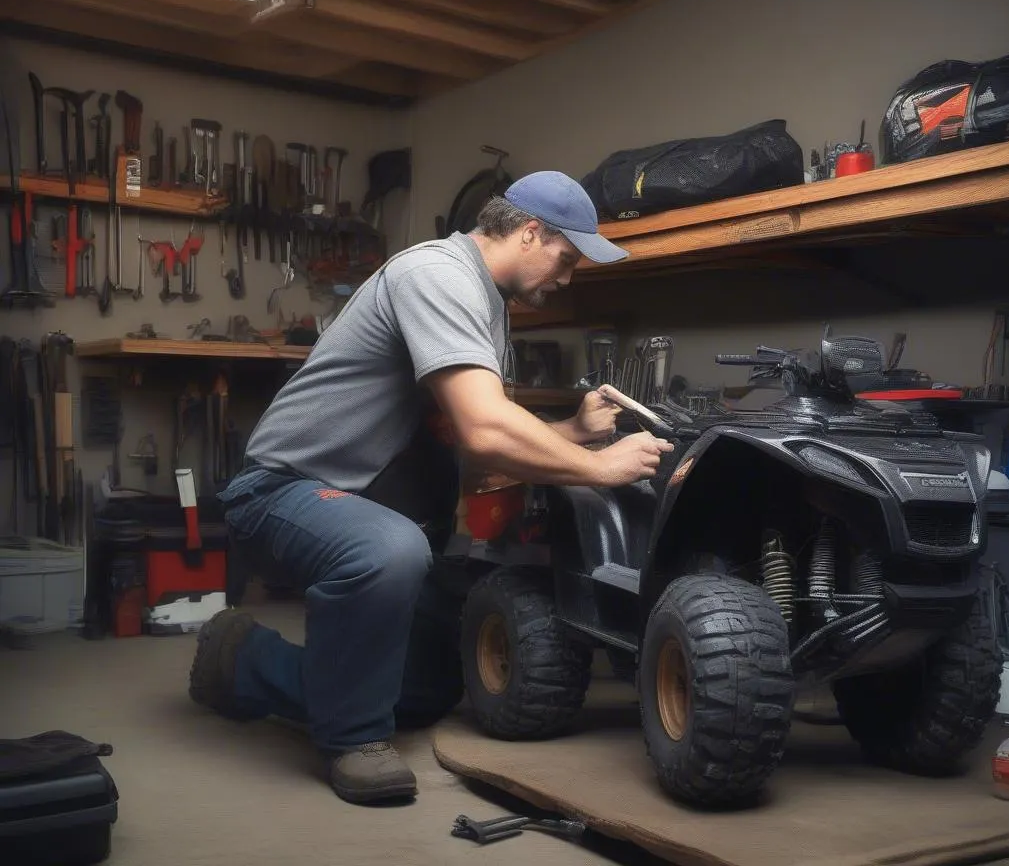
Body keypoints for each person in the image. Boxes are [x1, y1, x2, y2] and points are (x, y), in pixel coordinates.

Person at [187, 170, 674, 805]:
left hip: (375, 501)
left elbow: (468, 441)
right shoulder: (437, 274)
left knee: (426, 688)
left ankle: (244, 662)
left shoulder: (488, 303)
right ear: (531, 232)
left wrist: (571, 431)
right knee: (387, 552)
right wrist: (604, 467)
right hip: (281, 492)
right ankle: (352, 741)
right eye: (567, 258)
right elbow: (484, 430)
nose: (567, 277)